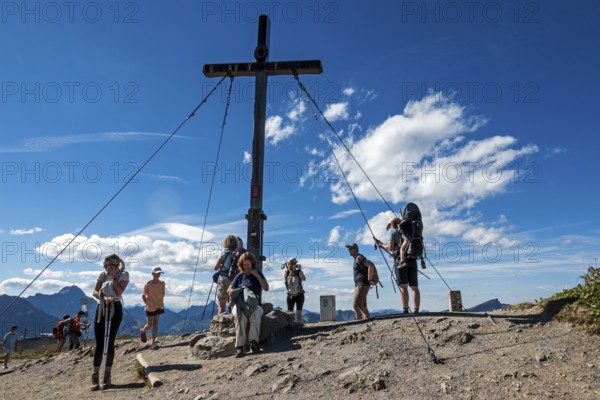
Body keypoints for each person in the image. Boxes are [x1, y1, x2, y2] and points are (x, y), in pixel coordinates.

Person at [90, 254, 129, 391]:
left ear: (114, 265)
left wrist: (113, 278)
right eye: (104, 266)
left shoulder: (124, 275)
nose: (105, 268)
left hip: (115, 307)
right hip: (101, 307)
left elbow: (119, 292)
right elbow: (94, 291)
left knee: (110, 341)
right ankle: (95, 375)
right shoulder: (102, 275)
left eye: (107, 266)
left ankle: (107, 375)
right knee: (100, 342)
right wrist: (102, 296)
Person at [227, 252, 269, 357]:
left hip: (254, 304)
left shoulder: (257, 274)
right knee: (239, 317)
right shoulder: (240, 276)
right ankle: (239, 347)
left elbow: (266, 288)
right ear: (241, 265)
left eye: (248, 264)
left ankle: (254, 343)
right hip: (240, 304)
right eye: (244, 265)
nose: (246, 267)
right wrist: (239, 290)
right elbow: (229, 289)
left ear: (252, 264)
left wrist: (257, 275)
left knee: (255, 315)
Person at [380, 218, 420, 314]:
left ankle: (405, 310)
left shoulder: (392, 230)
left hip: (400, 261)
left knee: (403, 286)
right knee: (414, 287)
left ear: (391, 224)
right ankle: (416, 310)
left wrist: (381, 245)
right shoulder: (409, 230)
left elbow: (390, 247)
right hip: (412, 259)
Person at [346, 243, 375, 320]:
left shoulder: (359, 258)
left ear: (355, 249)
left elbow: (370, 265)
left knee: (356, 306)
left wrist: (369, 279)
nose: (349, 250)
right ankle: (367, 322)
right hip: (361, 284)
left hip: (362, 284)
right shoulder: (356, 259)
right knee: (363, 307)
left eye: (351, 248)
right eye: (349, 249)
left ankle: (358, 324)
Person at [140, 266, 166, 350]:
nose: (158, 274)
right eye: (157, 273)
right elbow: (143, 295)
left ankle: (152, 342)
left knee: (156, 323)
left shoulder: (162, 283)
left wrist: (160, 302)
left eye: (159, 273)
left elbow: (163, 294)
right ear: (152, 273)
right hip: (150, 307)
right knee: (149, 324)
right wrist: (147, 303)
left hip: (159, 305)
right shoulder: (148, 284)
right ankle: (143, 331)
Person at [214, 235, 238, 314]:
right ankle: (234, 323)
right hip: (234, 281)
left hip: (223, 279)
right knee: (233, 305)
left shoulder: (224, 253)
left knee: (221, 306)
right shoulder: (238, 254)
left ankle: (220, 324)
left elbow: (216, 268)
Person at [284, 257, 306, 325]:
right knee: (299, 312)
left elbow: (285, 280)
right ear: (295, 263)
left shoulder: (286, 272)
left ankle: (290, 327)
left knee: (290, 312)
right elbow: (304, 279)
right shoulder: (299, 272)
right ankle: (299, 327)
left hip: (290, 295)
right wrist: (299, 269)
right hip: (299, 294)